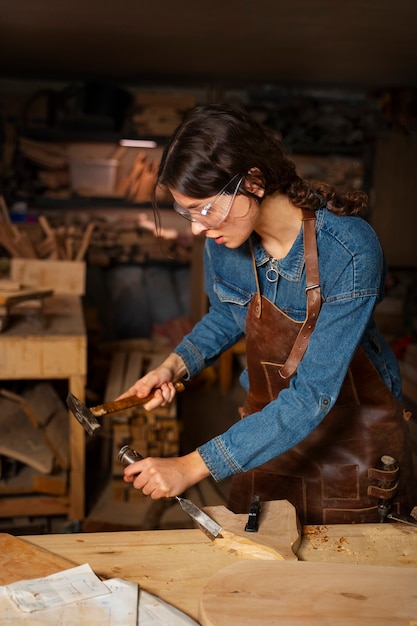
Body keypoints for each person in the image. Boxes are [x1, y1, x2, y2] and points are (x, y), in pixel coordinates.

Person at [120, 104, 416, 525]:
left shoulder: (349, 250)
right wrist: (174, 366)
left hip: (354, 432)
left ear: (254, 181)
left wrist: (190, 465)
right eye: (187, 212)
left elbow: (313, 395)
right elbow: (225, 315)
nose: (196, 229)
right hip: (263, 433)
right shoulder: (222, 242)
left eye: (204, 208)